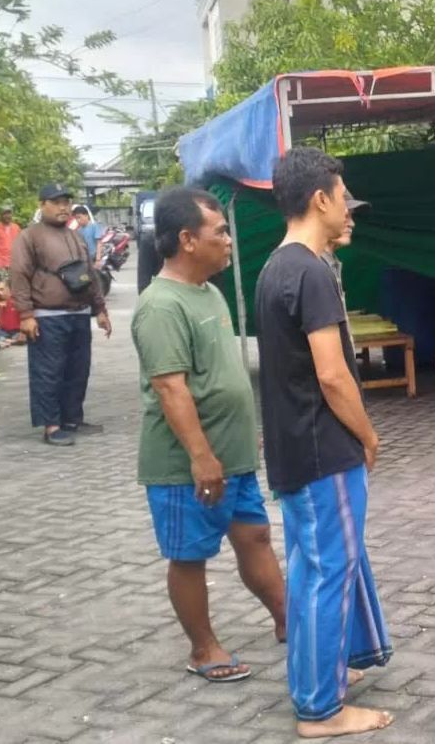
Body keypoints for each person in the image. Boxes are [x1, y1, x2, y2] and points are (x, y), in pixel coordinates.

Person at [255, 147, 392, 739]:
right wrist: (367, 433)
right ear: (320, 199)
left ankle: (323, 676)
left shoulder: (276, 266)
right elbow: (332, 375)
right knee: (326, 571)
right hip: (321, 449)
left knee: (316, 567)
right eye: (343, 198)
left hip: (297, 448)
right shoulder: (308, 271)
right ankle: (320, 708)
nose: (348, 210)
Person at [133, 187, 286, 685]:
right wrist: (201, 457)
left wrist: (245, 434)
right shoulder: (160, 306)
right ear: (186, 239)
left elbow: (221, 374)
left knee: (256, 537)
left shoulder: (210, 291)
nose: (228, 241)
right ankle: (204, 648)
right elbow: (170, 387)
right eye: (219, 232)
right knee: (190, 555)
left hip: (233, 455)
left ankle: (289, 620)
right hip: (187, 467)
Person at [9, 182, 111, 447]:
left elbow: (89, 273)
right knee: (49, 372)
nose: (63, 207)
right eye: (56, 202)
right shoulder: (30, 237)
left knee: (78, 370)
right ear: (42, 205)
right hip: (47, 315)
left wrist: (100, 309)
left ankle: (71, 419)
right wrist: (25, 315)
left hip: (78, 313)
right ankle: (51, 425)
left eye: (66, 202)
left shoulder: (75, 235)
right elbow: (19, 275)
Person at [0, 205, 21, 284]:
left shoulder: (16, 227)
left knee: (14, 287)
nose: (7, 216)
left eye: (9, 213)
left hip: (14, 263)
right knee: (1, 287)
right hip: (0, 264)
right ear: (0, 215)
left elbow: (20, 246)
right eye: (5, 213)